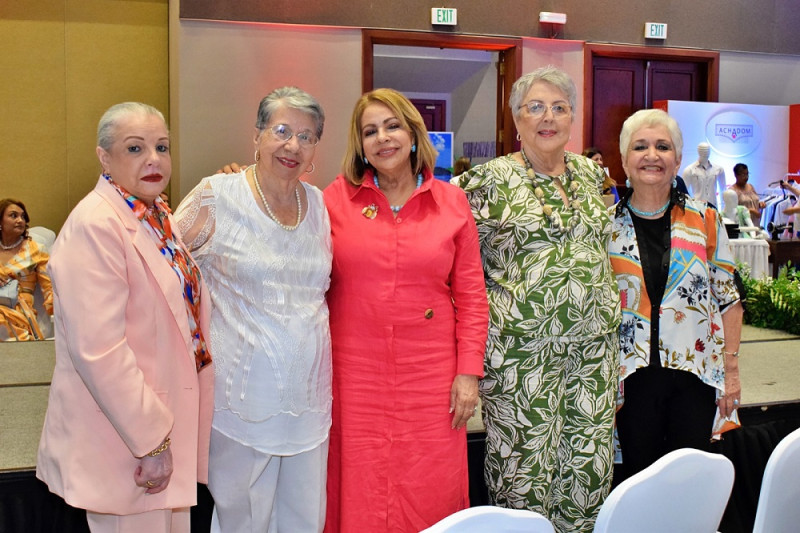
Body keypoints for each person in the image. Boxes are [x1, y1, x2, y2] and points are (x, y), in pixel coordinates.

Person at [452, 66, 621, 532]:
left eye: (560, 108)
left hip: (592, 357)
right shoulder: (484, 182)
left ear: (572, 119)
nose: (549, 118)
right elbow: (442, 246)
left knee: (587, 475)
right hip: (520, 361)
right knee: (523, 479)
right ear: (517, 119)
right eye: (536, 107)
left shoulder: (592, 175)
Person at [36, 102, 214, 532]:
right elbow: (99, 350)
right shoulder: (95, 224)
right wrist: (152, 442)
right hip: (130, 443)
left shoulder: (157, 215)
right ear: (104, 157)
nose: (153, 159)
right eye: (135, 148)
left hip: (165, 430)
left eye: (162, 146)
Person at [324, 88, 489, 532]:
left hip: (431, 377)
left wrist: (468, 372)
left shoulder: (452, 203)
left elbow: (473, 294)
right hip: (354, 374)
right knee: (358, 482)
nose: (383, 138)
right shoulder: (333, 201)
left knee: (429, 482)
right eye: (370, 131)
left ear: (414, 134)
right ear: (360, 145)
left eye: (392, 126)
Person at [175, 87, 332, 532]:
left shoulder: (320, 205)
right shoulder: (217, 196)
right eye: (281, 131)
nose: (292, 146)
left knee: (304, 520)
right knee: (241, 521)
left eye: (306, 136)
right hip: (240, 403)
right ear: (258, 136)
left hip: (309, 402)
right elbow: (163, 266)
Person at [609, 109, 743, 482]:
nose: (652, 155)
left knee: (689, 482)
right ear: (624, 160)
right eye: (640, 147)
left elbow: (730, 300)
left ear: (677, 160)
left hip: (694, 378)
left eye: (662, 147)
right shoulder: (605, 226)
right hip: (630, 380)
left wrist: (731, 372)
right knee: (638, 481)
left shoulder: (705, 220)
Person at [0, 198, 53, 341]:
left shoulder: (36, 250)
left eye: (23, 217)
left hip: (19, 311)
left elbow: (50, 287)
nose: (20, 220)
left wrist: (61, 315)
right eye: (13, 216)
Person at [682, 141, 726, 207]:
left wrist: (723, 207)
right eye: (703, 150)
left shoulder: (718, 169)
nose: (705, 152)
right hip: (697, 208)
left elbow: (723, 189)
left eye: (707, 150)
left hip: (713, 207)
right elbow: (683, 193)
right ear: (698, 151)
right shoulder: (689, 170)